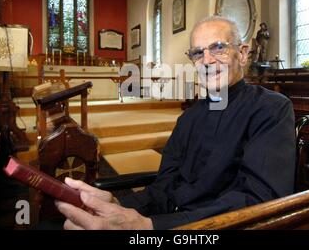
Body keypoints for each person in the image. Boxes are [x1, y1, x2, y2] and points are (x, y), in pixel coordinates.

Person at [55, 16, 296, 230]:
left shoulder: (271, 109)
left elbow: (258, 201)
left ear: (242, 54)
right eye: (198, 53)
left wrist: (150, 226)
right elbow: (165, 189)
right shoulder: (188, 119)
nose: (207, 60)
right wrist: (117, 203)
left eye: (218, 48)